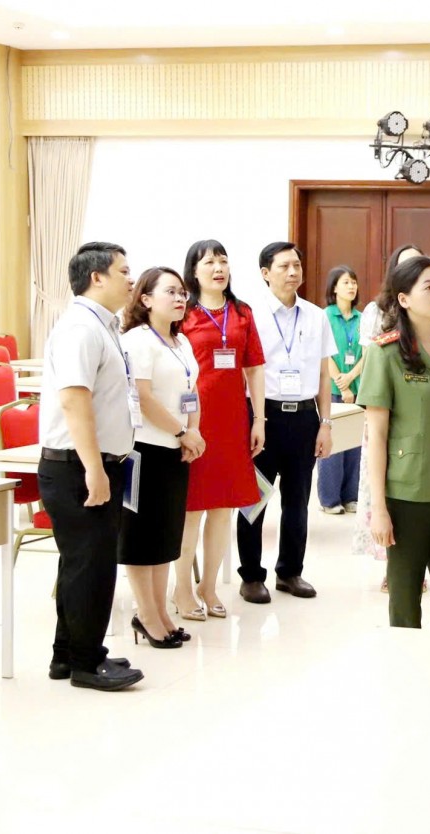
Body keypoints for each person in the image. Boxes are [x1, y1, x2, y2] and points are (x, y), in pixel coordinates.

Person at [38, 241, 143, 690]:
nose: (131, 279)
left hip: (93, 463)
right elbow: (74, 401)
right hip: (80, 467)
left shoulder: (103, 326)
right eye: (124, 271)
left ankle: (67, 655)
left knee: (81, 563)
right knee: (93, 567)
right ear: (96, 277)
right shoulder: (81, 328)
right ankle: (87, 662)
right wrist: (94, 470)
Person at [358, 255, 430, 629]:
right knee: (405, 601)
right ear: (404, 299)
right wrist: (379, 508)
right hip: (406, 496)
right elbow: (376, 435)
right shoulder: (384, 353)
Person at [236, 241, 336, 603]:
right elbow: (244, 371)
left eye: (297, 265)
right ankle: (251, 576)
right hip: (262, 417)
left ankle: (290, 572)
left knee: (298, 501)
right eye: (284, 266)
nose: (293, 272)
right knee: (254, 500)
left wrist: (325, 423)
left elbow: (323, 375)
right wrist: (255, 420)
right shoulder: (249, 314)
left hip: (304, 418)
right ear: (265, 273)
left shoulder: (316, 316)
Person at [175, 240, 266, 621]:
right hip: (194, 421)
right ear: (193, 271)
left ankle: (208, 585)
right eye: (209, 262)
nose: (218, 268)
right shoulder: (184, 313)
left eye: (223, 261)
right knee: (191, 509)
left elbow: (255, 368)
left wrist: (259, 419)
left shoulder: (242, 313)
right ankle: (182, 588)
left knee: (224, 508)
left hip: (232, 421)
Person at [119, 267, 207, 648]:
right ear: (146, 299)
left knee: (165, 535)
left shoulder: (180, 341)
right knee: (141, 537)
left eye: (182, 292)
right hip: (143, 449)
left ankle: (160, 611)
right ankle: (146, 613)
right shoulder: (138, 341)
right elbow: (142, 397)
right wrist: (181, 432)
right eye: (170, 291)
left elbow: (192, 389)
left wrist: (193, 431)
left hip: (175, 448)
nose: (180, 298)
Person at [355, 244, 430, 591]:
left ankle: (422, 565)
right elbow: (371, 356)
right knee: (384, 484)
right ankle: (394, 564)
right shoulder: (376, 311)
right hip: (386, 403)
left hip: (423, 411)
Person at [318, 265, 364, 515]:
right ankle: (329, 499)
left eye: (353, 282)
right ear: (334, 287)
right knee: (333, 445)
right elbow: (324, 353)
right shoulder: (325, 316)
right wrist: (340, 381)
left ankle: (350, 496)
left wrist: (351, 377)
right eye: (346, 282)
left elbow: (367, 352)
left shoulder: (362, 318)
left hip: (358, 388)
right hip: (333, 388)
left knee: (355, 445)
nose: (351, 286)